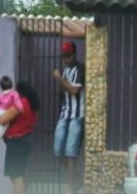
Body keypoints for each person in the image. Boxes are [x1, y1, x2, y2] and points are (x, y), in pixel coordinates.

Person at [52, 41, 85, 194]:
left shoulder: (79, 69)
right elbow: (63, 90)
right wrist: (61, 80)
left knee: (70, 152)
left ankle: (70, 187)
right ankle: (76, 176)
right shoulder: (65, 71)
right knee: (58, 150)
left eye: (68, 56)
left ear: (74, 54)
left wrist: (59, 78)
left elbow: (74, 91)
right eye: (64, 56)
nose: (66, 59)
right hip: (64, 114)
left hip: (77, 116)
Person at [0, 80, 39, 194]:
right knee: (20, 173)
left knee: (16, 176)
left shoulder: (21, 103)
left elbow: (3, 119)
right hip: (26, 139)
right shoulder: (32, 104)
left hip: (16, 142)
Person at [0, 75, 19, 140]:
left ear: (1, 87)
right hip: (4, 112)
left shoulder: (0, 95)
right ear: (11, 84)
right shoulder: (13, 93)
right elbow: (17, 103)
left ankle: (0, 136)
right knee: (6, 125)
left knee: (4, 124)